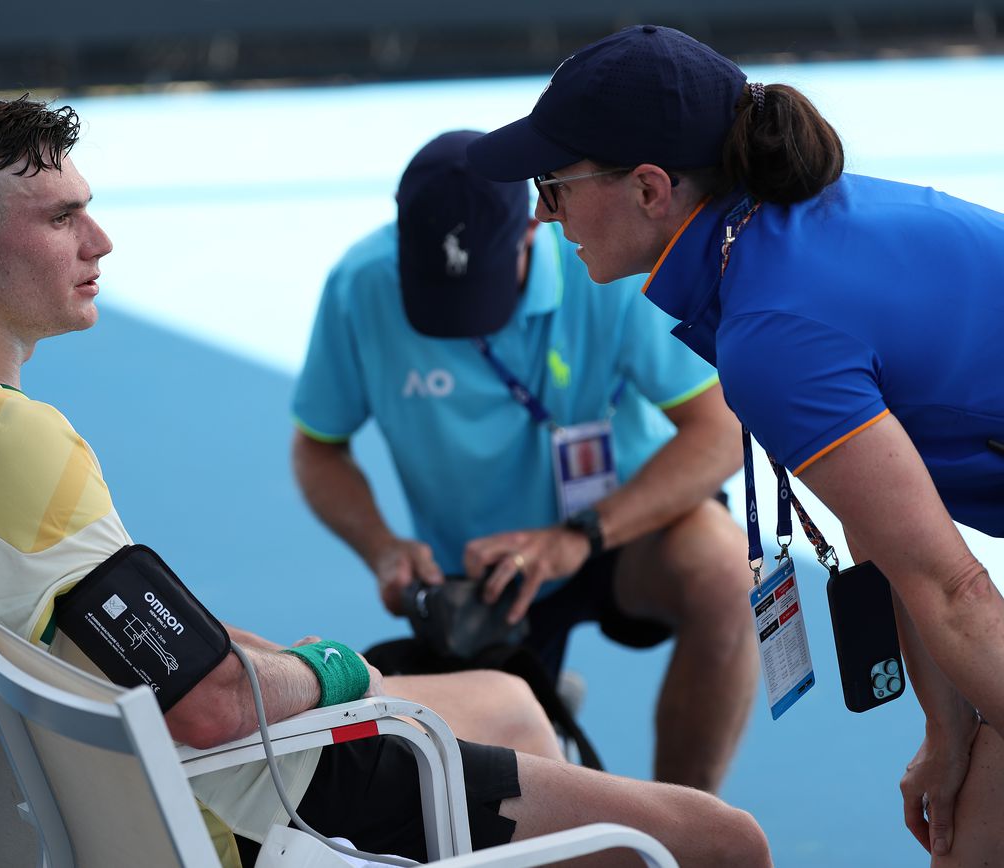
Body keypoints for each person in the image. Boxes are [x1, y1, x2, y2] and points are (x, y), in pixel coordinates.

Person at [0, 85, 772, 868]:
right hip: (244, 802)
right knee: (721, 842)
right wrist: (333, 668)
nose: (101, 240)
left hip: (87, 780)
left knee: (511, 701)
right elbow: (212, 705)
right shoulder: (21, 447)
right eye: (64, 217)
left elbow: (131, 631)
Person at [466, 23, 1004, 865]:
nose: (540, 210)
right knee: (974, 828)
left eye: (554, 181)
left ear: (650, 188)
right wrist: (948, 731)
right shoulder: (782, 239)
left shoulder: (772, 326)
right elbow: (893, 541)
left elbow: (957, 590)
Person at [292, 129, 757, 793]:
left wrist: (581, 536)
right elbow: (317, 447)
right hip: (479, 572)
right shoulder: (361, 283)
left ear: (535, 228)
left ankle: (686, 824)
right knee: (482, 796)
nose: (468, 323)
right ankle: (540, 695)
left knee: (724, 572)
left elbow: (718, 428)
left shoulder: (604, 262)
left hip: (617, 527)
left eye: (480, 287)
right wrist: (384, 549)